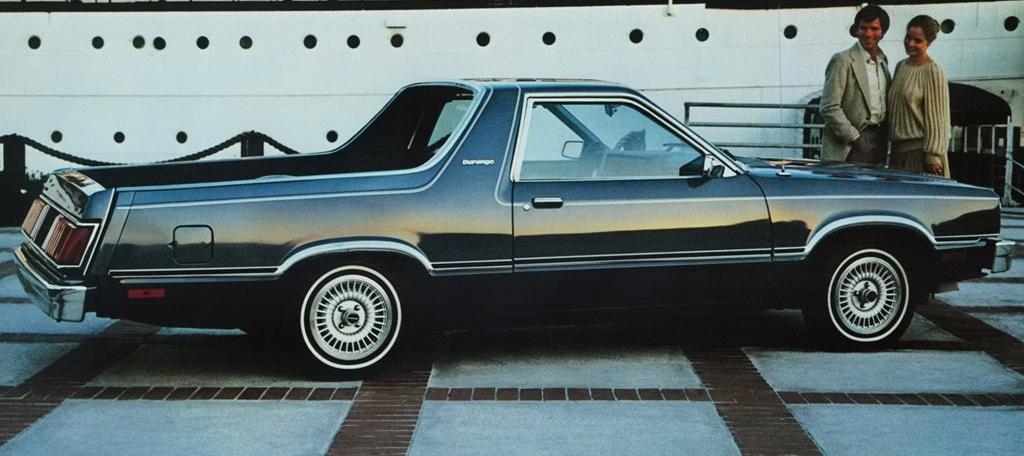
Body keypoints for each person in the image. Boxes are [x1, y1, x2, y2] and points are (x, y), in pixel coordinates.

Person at [820, 4, 892, 164]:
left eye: (874, 29)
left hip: (879, 141)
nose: (868, 34)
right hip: (851, 145)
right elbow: (829, 107)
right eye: (863, 28)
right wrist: (855, 138)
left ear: (883, 32)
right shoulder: (842, 60)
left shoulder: (883, 62)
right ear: (857, 30)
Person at [888, 15, 951, 177]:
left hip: (922, 155)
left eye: (918, 41)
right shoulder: (900, 66)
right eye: (908, 37)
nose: (910, 44)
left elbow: (939, 117)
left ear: (929, 42)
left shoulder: (933, 70)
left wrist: (933, 154)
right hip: (897, 152)